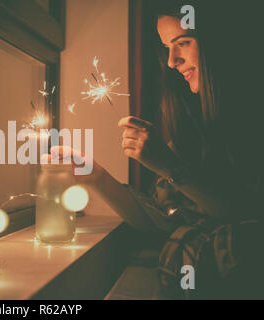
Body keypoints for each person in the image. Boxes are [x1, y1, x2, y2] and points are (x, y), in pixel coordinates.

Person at [50, 0, 263, 298]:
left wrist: (169, 166)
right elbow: (162, 222)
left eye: (183, 43)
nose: (172, 60)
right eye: (167, 47)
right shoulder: (190, 121)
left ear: (218, 39)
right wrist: (96, 176)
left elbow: (237, 213)